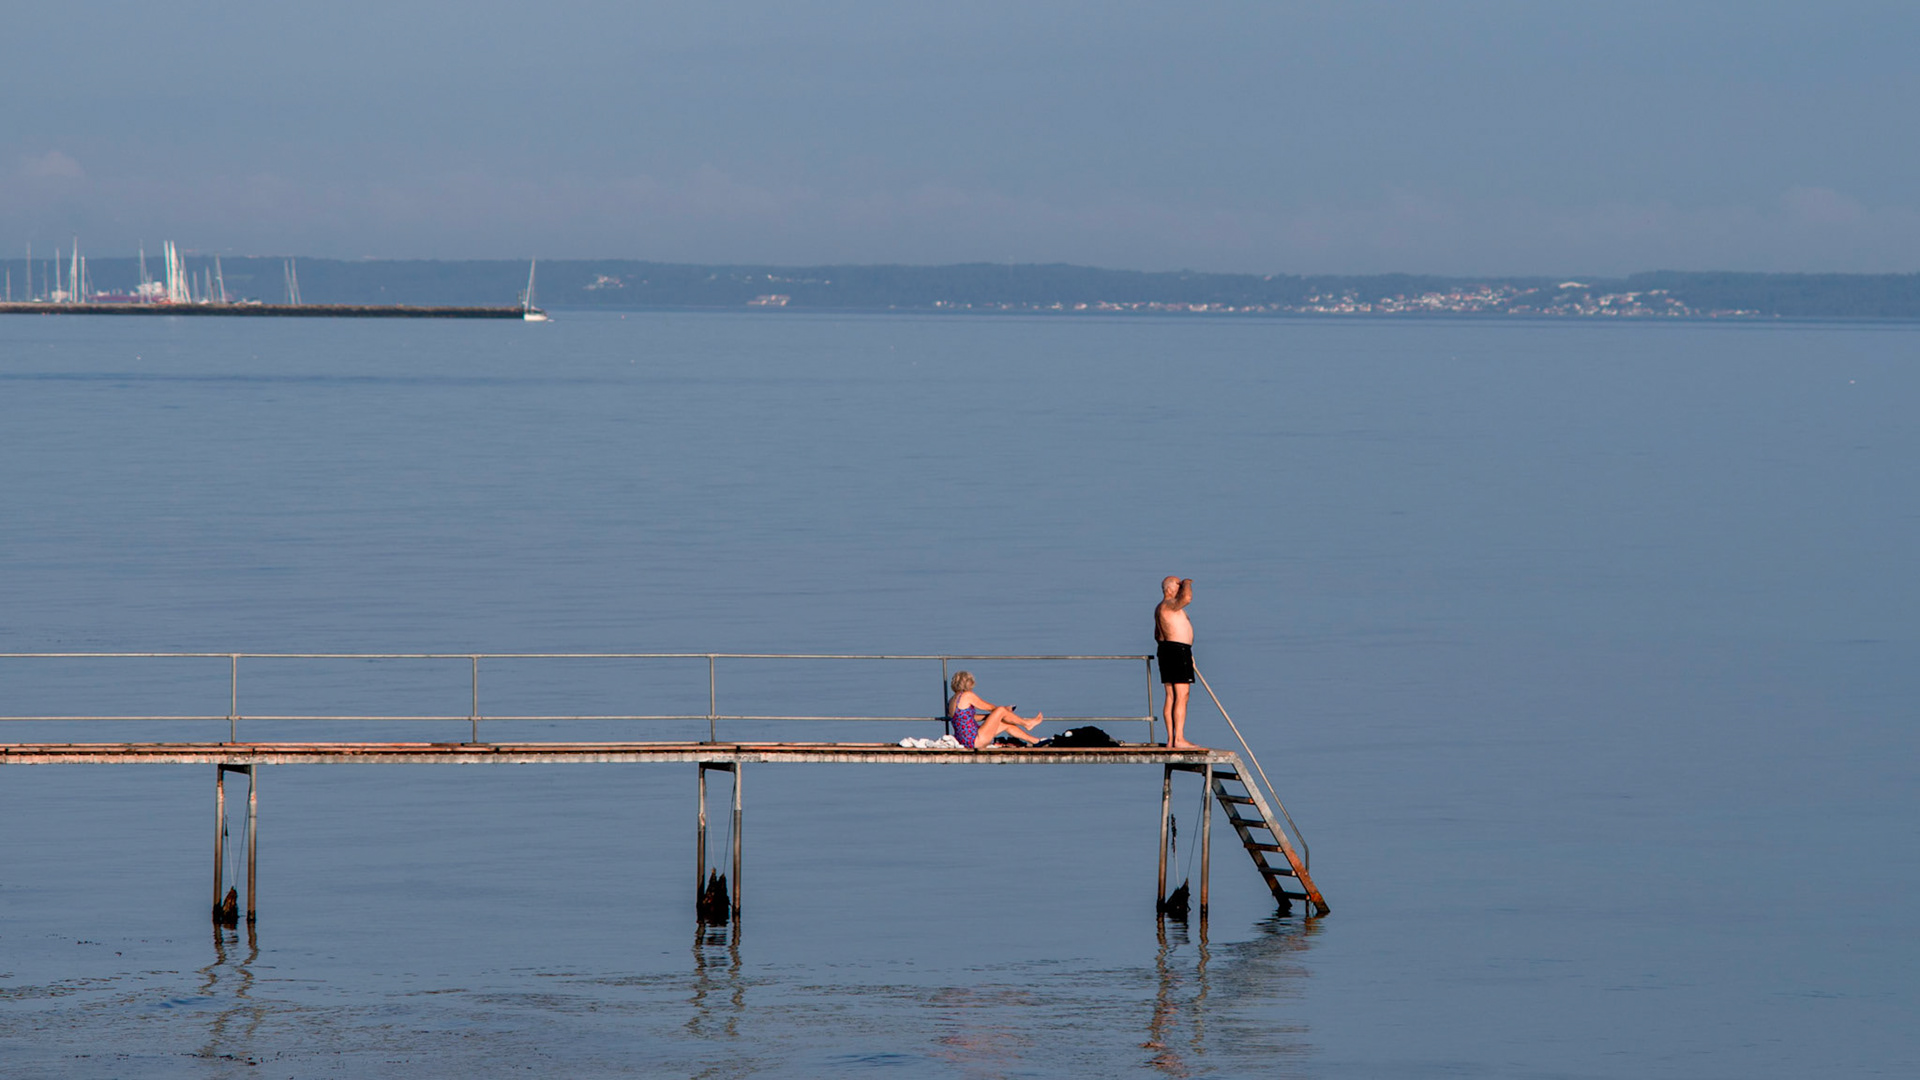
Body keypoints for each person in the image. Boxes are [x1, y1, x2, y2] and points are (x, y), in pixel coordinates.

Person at [1154, 576, 1199, 749]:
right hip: (1177, 650)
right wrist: (1187, 582)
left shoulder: (1160, 608)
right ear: (1171, 589)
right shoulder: (1169, 604)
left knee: (1171, 696)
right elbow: (1187, 598)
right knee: (1182, 695)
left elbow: (1157, 635)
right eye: (1178, 586)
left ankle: (1172, 740)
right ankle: (1178, 738)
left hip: (1167, 649)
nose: (1181, 590)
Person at [946, 671, 1043, 750]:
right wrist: (1005, 711)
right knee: (1000, 709)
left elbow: (969, 718)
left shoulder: (951, 700)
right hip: (975, 740)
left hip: (964, 740)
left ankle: (1036, 741)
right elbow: (990, 707)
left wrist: (993, 718)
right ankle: (1027, 723)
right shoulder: (967, 695)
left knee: (1006, 723)